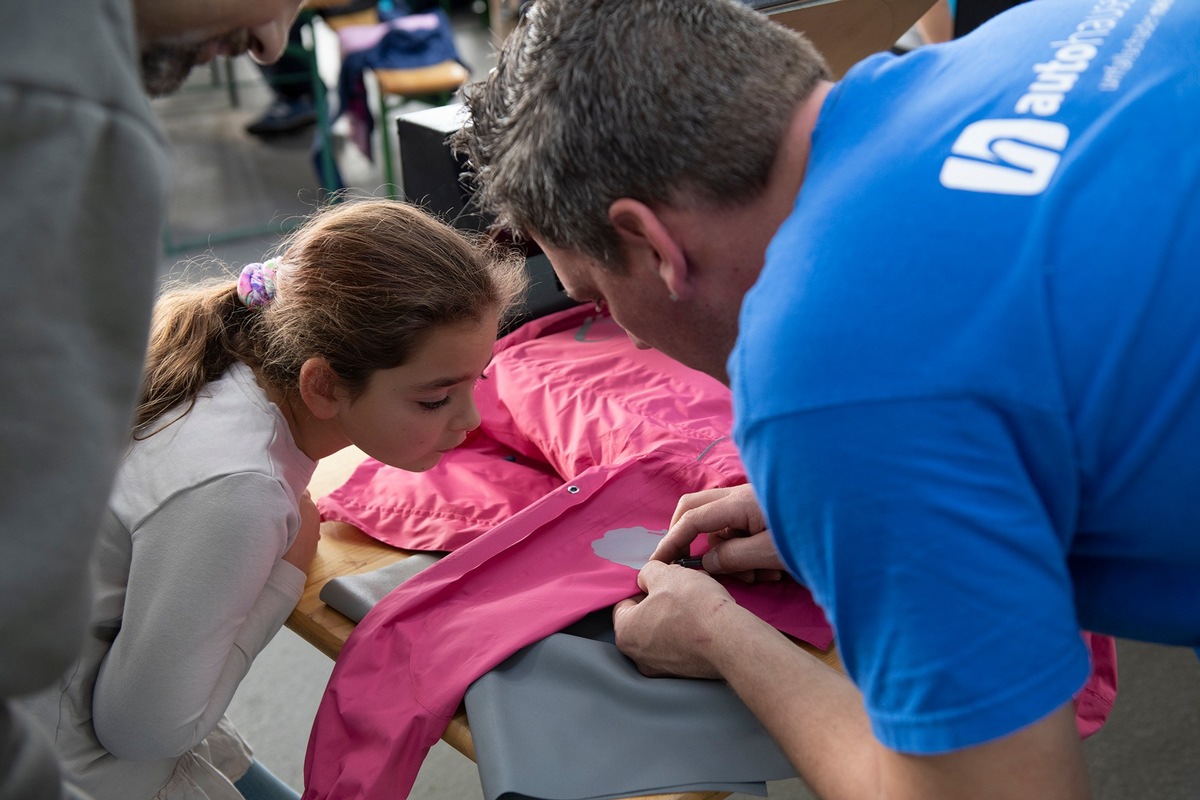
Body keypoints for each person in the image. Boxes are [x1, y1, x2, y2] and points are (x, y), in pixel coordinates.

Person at [451, 0, 1200, 798]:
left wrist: (721, 637)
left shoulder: (832, 375)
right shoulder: (1054, 27)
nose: (628, 336)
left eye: (597, 295)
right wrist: (891, 501)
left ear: (651, 245)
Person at [18, 197, 527, 800]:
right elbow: (144, 733)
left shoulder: (219, 365)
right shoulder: (238, 491)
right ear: (323, 385)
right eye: (434, 399)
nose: (469, 419)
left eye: (480, 378)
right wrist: (285, 577)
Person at [1, 1, 308, 798]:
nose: (273, 41)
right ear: (324, 383)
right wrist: (282, 583)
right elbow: (135, 722)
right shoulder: (58, 106)